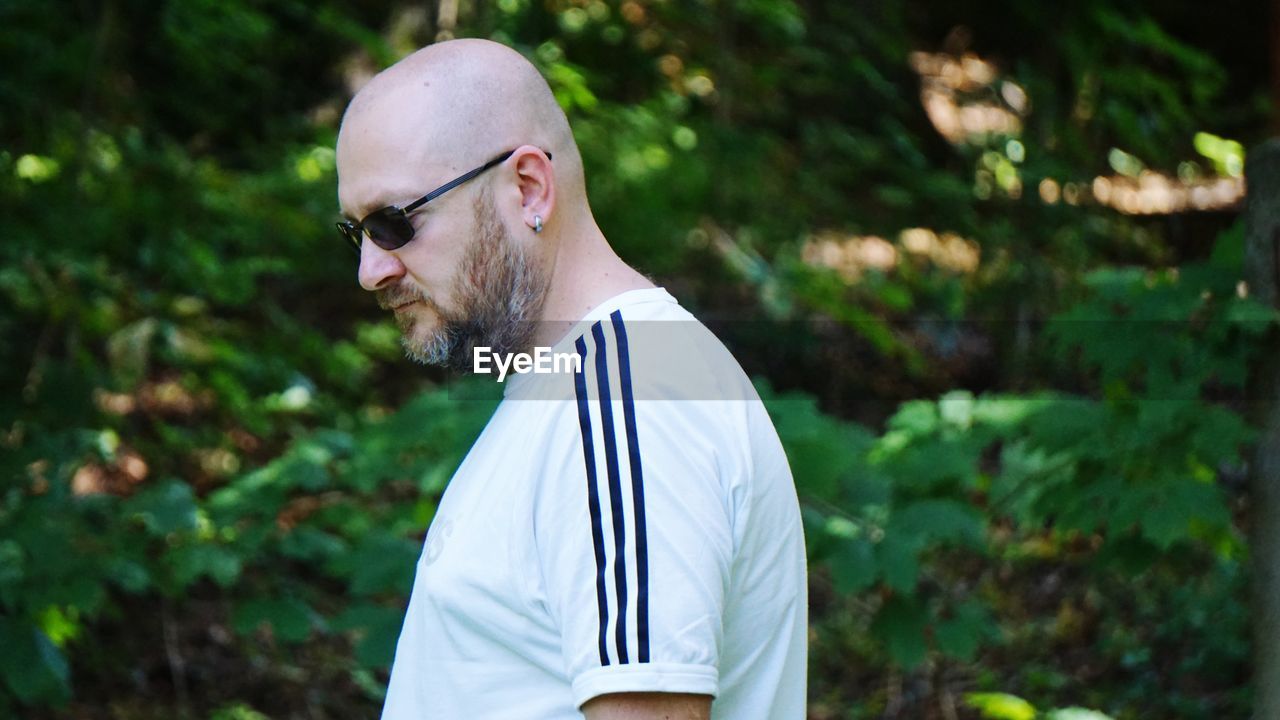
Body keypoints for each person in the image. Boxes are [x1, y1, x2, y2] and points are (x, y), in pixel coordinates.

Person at [334, 38, 806, 720]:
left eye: (393, 223)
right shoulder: (581, 386)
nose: (371, 271)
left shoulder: (628, 401)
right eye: (357, 234)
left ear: (528, 187)